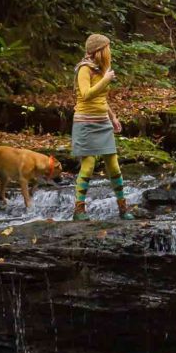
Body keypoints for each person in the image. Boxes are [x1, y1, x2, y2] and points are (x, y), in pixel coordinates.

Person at [70, 33, 134, 221]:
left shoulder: (101, 69)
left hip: (102, 122)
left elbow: (101, 99)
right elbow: (86, 94)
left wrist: (113, 117)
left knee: (113, 165)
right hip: (85, 122)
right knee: (88, 165)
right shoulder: (84, 69)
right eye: (107, 48)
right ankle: (79, 210)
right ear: (99, 50)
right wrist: (105, 80)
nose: (110, 52)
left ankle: (123, 208)